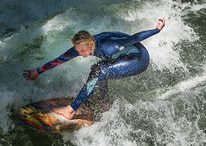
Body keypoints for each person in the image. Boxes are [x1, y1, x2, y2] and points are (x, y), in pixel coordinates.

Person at [23, 17, 166, 119]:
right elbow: (62, 58)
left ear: (90, 45)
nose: (79, 53)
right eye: (77, 50)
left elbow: (135, 38)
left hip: (138, 59)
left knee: (100, 71)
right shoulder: (84, 45)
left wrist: (156, 30)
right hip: (122, 57)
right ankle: (104, 103)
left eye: (81, 51)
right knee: (97, 68)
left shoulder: (109, 46)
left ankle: (70, 110)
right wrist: (38, 71)